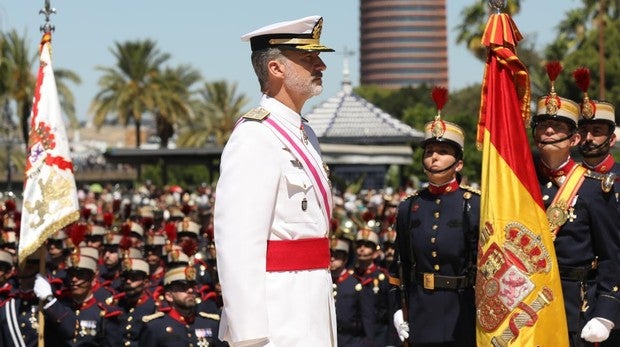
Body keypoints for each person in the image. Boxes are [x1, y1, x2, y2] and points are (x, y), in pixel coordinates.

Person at [214, 15, 337, 346]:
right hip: (278, 312)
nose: (321, 65)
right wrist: (249, 333)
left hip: (311, 300)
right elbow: (237, 244)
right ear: (276, 69)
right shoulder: (255, 136)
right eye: (308, 58)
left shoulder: (305, 132)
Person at [532, 62, 620, 346]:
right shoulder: (525, 184)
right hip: (530, 302)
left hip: (577, 302)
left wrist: (607, 312)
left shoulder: (595, 187)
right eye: (542, 125)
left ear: (573, 138)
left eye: (556, 126)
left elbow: (610, 254)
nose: (548, 132)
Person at [389, 92, 480, 347]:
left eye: (442, 151)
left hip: (462, 310)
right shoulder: (410, 206)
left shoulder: (474, 204)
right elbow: (400, 264)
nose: (434, 158)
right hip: (420, 310)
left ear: (459, 163)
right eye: (429, 151)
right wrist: (398, 308)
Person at [139, 263, 226, 346]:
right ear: (169, 296)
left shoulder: (210, 324)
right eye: (183, 287)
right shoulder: (155, 327)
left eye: (192, 287)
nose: (190, 291)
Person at [330, 237, 376, 346]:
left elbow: (367, 318)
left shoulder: (356, 284)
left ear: (345, 258)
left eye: (337, 255)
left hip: (352, 341)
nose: (332, 259)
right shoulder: (324, 283)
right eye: (330, 255)